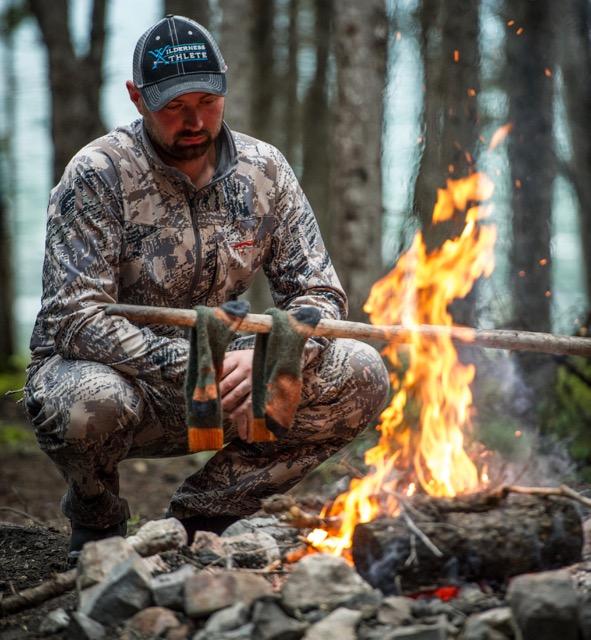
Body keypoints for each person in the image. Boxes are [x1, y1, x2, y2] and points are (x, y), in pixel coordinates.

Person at [24, 15, 389, 564]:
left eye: (207, 100)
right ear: (137, 97)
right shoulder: (97, 175)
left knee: (361, 371)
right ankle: (97, 518)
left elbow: (319, 295)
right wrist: (205, 363)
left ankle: (200, 520)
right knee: (85, 405)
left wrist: (275, 355)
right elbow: (76, 320)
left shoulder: (266, 171)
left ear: (225, 88)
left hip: (228, 383)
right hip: (126, 382)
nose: (194, 120)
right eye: (173, 106)